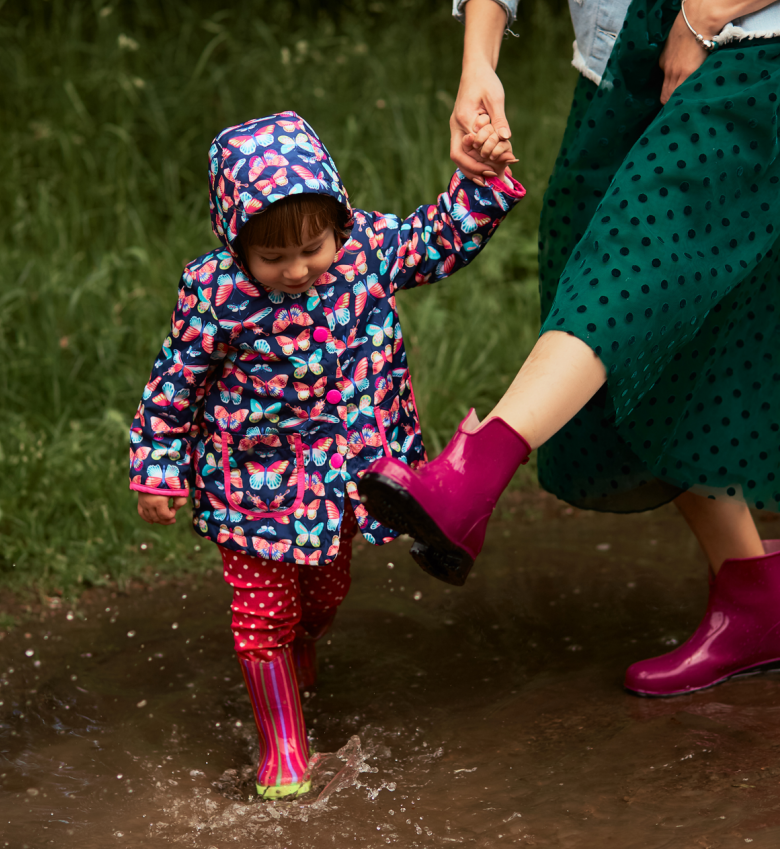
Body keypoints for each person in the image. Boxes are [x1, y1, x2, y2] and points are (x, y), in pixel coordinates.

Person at [360, 0, 780, 697]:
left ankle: (473, 475)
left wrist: (704, 12)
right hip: (626, 34)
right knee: (605, 277)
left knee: (638, 263)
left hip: (759, 31)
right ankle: (757, 603)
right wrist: (479, 60)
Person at [129, 111, 524, 798]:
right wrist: (157, 465)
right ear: (236, 243)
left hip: (340, 480)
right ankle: (283, 743)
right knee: (261, 612)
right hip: (249, 483)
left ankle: (301, 640)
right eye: (272, 258)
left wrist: (479, 180)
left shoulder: (367, 248)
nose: (296, 270)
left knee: (324, 591)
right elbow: (174, 384)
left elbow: (437, 237)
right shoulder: (215, 296)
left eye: (311, 248)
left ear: (337, 223)